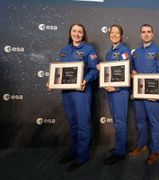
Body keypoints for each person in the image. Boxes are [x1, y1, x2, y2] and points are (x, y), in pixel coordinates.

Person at [47, 23, 99, 171]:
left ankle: (82, 156)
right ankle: (74, 151)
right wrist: (52, 82)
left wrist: (85, 80)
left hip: (81, 92)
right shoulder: (64, 51)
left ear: (83, 34)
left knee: (82, 125)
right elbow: (61, 73)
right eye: (74, 31)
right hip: (66, 92)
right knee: (73, 124)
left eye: (80, 32)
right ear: (70, 33)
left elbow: (94, 70)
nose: (77, 34)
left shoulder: (89, 49)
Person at [129, 24, 159, 165]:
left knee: (154, 123)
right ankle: (141, 145)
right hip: (138, 94)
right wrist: (132, 72)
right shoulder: (136, 52)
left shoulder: (158, 51)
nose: (146, 34)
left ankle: (154, 151)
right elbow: (132, 69)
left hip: (152, 94)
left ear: (153, 34)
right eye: (143, 32)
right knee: (140, 121)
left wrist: (156, 93)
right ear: (140, 34)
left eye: (148, 32)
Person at [100, 25, 131, 166]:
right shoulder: (109, 52)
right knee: (117, 122)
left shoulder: (124, 51)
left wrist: (116, 87)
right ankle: (120, 146)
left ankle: (120, 153)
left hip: (120, 92)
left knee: (120, 122)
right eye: (112, 32)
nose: (114, 34)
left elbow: (127, 72)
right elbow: (109, 73)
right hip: (111, 91)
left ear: (121, 36)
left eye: (117, 33)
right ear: (109, 35)